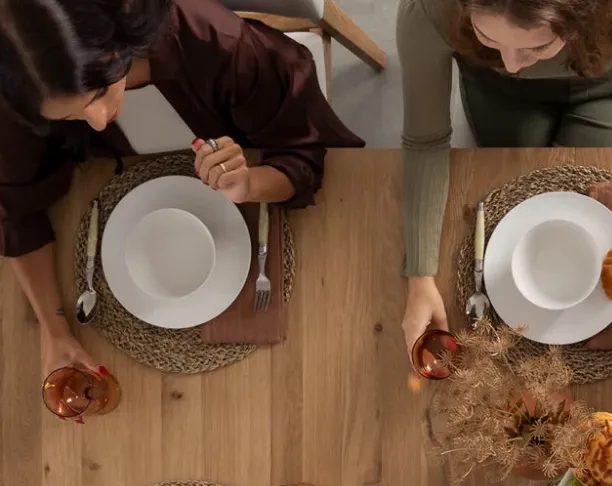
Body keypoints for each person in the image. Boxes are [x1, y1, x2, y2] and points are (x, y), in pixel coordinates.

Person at [0, 0, 364, 379]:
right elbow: (14, 205)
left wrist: (250, 183)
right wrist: (55, 330)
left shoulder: (216, 44)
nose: (95, 123)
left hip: (266, 203)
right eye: (70, 117)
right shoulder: (23, 84)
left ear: (114, 47)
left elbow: (304, 157)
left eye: (98, 94)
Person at [397, 0, 612, 357]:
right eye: (487, 35)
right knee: (515, 197)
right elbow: (425, 140)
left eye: (536, 46)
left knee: (594, 214)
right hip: (500, 90)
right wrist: (420, 277)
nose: (512, 63)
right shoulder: (431, 9)